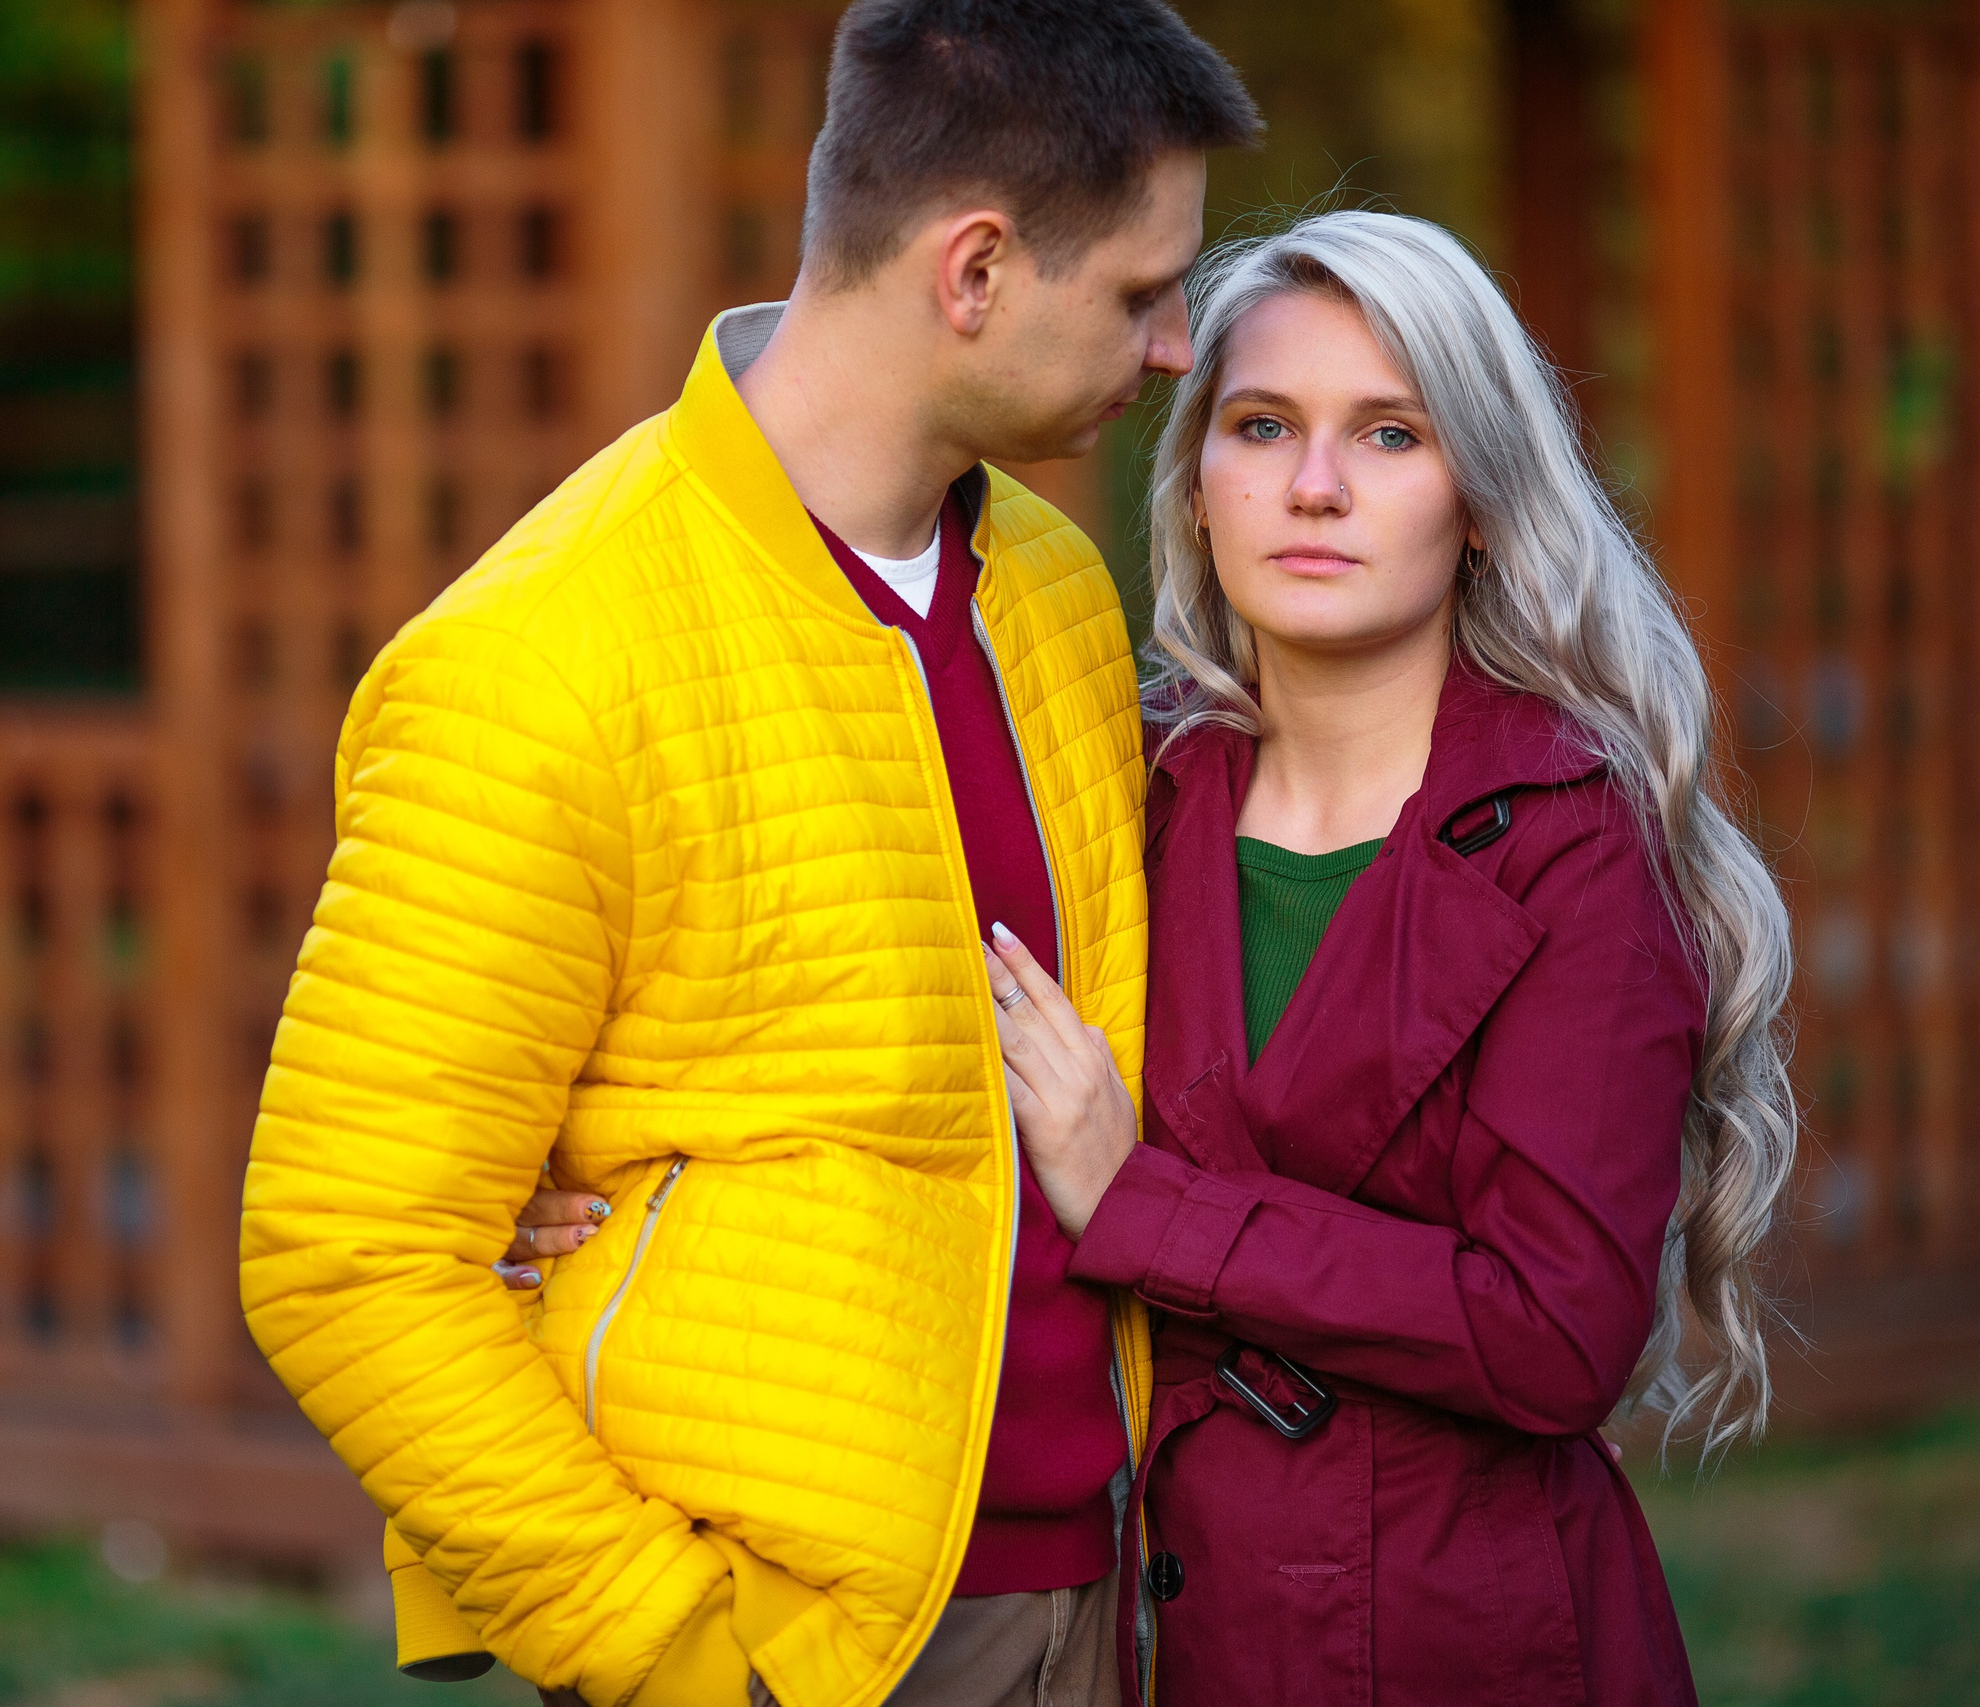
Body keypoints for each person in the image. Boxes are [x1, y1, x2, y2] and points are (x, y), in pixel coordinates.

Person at [238, 5, 1259, 1705]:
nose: (1170, 351)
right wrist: (676, 1657)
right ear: (977, 270)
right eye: (1143, 294)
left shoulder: (1064, 598)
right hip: (791, 1638)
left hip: (1110, 1584)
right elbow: (346, 1253)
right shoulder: (545, 652)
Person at [977, 211, 1799, 1704]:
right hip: (1153, 1623)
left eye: (1390, 434)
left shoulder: (1576, 840)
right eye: (1263, 424)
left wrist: (1147, 1209)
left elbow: (1556, 1332)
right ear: (1200, 484)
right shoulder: (1121, 786)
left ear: (1477, 497)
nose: (1313, 486)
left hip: (1460, 1640)